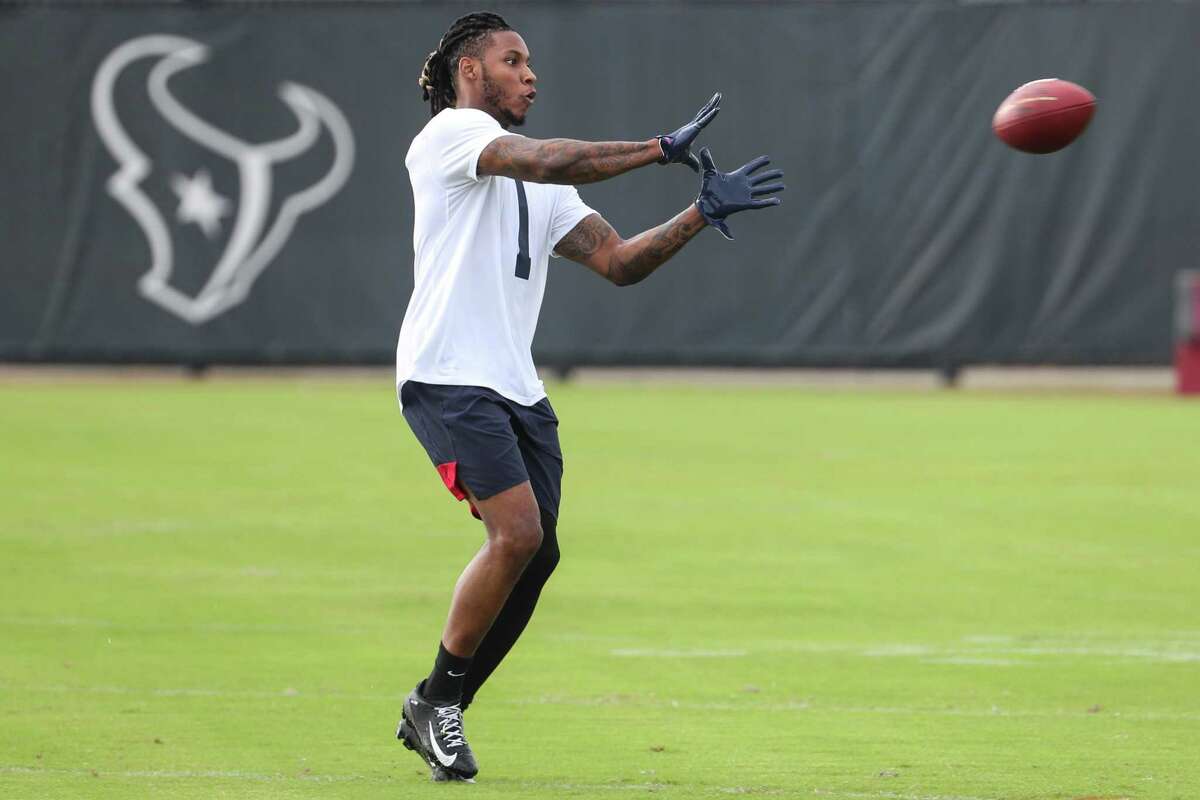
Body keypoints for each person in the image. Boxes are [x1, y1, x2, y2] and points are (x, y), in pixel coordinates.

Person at [393, 10, 785, 783]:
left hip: (515, 386)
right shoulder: (451, 137)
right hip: (448, 372)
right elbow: (540, 160)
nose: (530, 74)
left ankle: (436, 702)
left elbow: (618, 262)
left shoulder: (542, 183)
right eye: (513, 60)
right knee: (516, 533)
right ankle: (438, 705)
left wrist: (701, 213)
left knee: (538, 555)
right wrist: (657, 149)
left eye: (531, 62)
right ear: (471, 72)